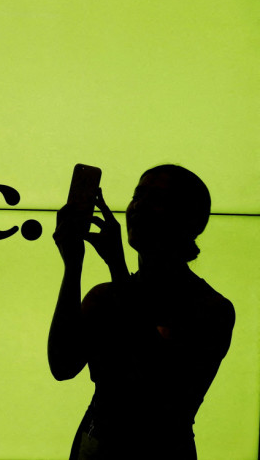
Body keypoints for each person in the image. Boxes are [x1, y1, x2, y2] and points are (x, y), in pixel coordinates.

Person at [49, 165, 235, 460]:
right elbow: (62, 364)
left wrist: (116, 267)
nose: (139, 206)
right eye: (138, 195)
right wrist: (73, 265)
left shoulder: (210, 308)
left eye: (157, 198)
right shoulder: (106, 295)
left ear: (189, 220)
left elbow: (159, 384)